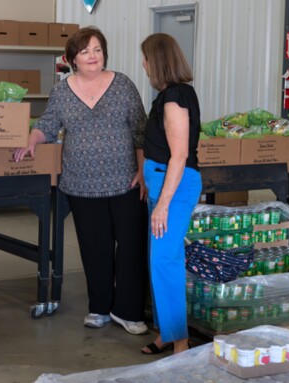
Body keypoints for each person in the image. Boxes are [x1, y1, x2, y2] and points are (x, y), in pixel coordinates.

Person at [14, 26, 149, 334]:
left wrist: (142, 172)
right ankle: (100, 307)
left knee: (130, 246)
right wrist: (31, 139)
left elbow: (140, 130)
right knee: (94, 247)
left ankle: (128, 311)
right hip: (82, 183)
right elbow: (48, 123)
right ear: (72, 58)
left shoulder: (123, 85)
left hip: (125, 181)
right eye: (86, 51)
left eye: (98, 50)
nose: (93, 56)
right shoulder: (62, 90)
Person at [139, 33, 202, 355]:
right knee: (160, 260)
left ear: (156, 62)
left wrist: (162, 204)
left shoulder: (175, 97)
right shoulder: (170, 94)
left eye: (146, 59)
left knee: (165, 261)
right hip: (164, 184)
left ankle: (180, 342)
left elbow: (179, 155)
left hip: (174, 189)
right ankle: (167, 331)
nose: (143, 64)